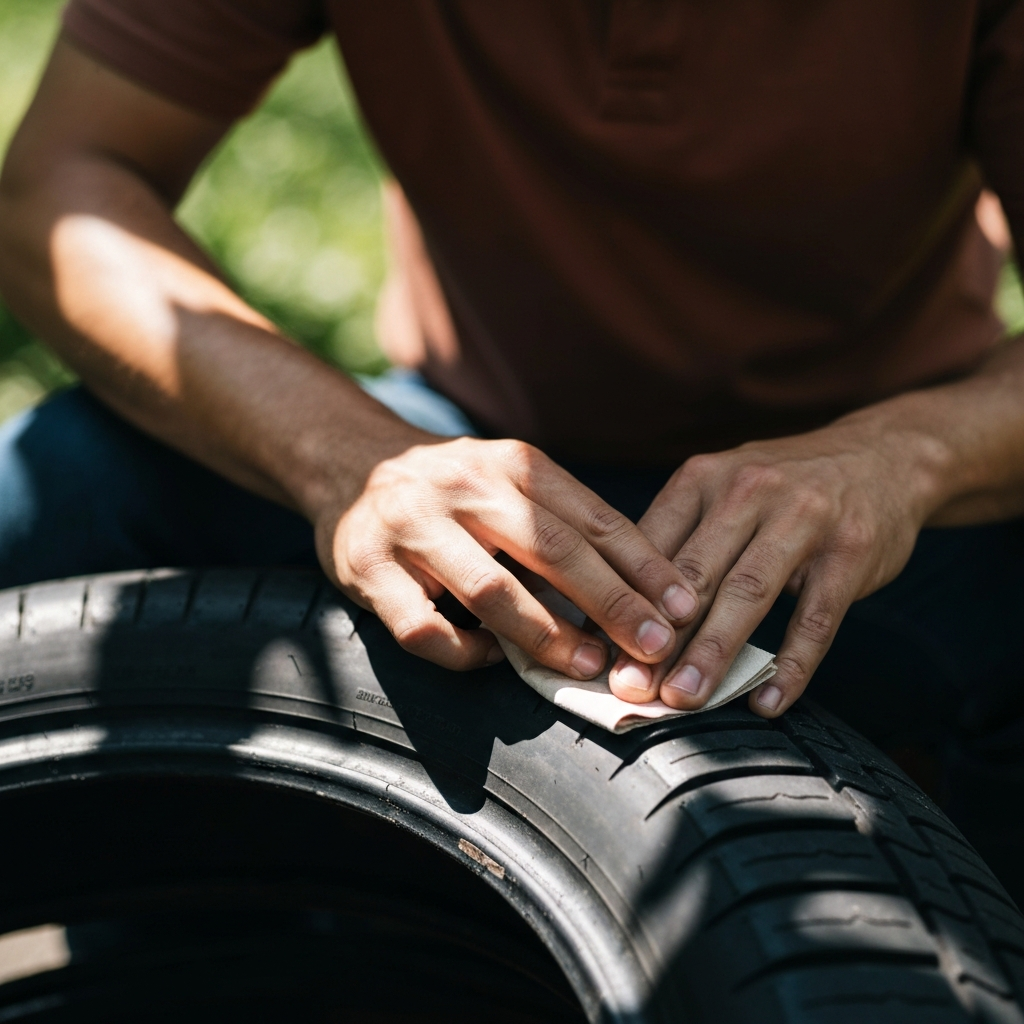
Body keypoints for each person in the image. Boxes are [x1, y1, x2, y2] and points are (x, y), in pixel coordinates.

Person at [0, 2, 1022, 890]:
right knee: (66, 490)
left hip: (898, 515)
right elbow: (63, 183)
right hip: (462, 437)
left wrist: (907, 456)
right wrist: (351, 460)